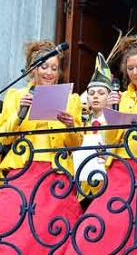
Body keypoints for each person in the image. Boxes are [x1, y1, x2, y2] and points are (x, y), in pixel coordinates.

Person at [65, 34, 137, 255]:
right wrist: (113, 114)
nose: (135, 72)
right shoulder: (121, 97)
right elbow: (110, 139)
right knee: (103, 220)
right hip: (120, 166)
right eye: (130, 68)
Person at [0, 40, 83, 254]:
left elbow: (75, 144)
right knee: (14, 226)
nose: (49, 73)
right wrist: (20, 114)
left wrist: (70, 126)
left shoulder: (70, 99)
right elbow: (4, 139)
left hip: (56, 174)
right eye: (43, 67)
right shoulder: (16, 96)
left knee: (51, 232)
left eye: (54, 68)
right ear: (31, 68)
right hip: (23, 171)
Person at [75, 53, 111, 206]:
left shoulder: (113, 124)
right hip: (82, 187)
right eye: (91, 93)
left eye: (101, 93)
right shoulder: (83, 125)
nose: (95, 97)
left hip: (106, 185)